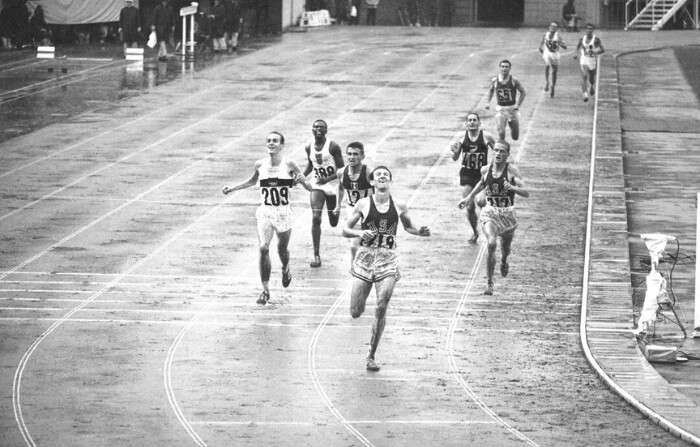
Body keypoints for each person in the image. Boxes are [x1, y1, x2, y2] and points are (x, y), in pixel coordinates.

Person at [343, 166, 430, 371]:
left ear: (390, 181)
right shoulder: (363, 203)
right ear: (372, 182)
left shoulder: (399, 205)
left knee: (382, 305)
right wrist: (359, 233)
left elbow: (408, 227)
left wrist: (419, 231)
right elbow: (345, 230)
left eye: (386, 175)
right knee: (356, 311)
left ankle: (371, 355)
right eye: (378, 175)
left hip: (387, 260)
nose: (382, 177)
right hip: (365, 259)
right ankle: (361, 304)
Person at [222, 132, 312, 305]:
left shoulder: (290, 163)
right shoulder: (260, 164)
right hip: (265, 212)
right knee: (263, 248)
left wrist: (302, 181)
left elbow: (308, 187)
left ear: (281, 146)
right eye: (269, 141)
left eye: (275, 141)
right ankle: (265, 290)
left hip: (284, 214)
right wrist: (232, 188)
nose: (271, 143)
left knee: (281, 251)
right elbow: (251, 181)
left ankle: (285, 269)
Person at [458, 141, 529, 296]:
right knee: (491, 243)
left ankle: (503, 260)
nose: (498, 154)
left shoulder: (512, 171)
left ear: (507, 154)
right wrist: (468, 198)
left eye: (502, 151)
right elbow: (482, 183)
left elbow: (526, 192)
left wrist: (513, 188)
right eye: (496, 150)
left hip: (507, 213)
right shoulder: (486, 169)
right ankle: (489, 283)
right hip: (490, 212)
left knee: (506, 248)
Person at [303, 119, 345, 268]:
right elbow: (310, 163)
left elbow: (342, 170)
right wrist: (302, 176)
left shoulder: (333, 146)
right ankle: (316, 255)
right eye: (315, 127)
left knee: (333, 222)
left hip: (333, 185)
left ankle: (335, 212)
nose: (318, 129)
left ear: (326, 130)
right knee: (316, 217)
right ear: (312, 130)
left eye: (321, 127)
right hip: (317, 185)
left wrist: (327, 178)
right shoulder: (309, 146)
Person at [450, 112, 495, 244]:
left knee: (481, 202)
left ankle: (488, 229)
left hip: (481, 175)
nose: (472, 122)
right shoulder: (461, 137)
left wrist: (492, 167)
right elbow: (455, 158)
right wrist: (454, 152)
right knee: (469, 206)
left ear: (479, 123)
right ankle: (475, 232)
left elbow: (498, 151)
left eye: (474, 120)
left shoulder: (486, 137)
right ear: (466, 123)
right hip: (466, 175)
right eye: (469, 120)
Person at [334, 142, 375, 264]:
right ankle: (355, 270)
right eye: (349, 154)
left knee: (371, 244)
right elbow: (340, 188)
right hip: (352, 210)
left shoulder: (369, 172)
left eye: (356, 154)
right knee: (353, 245)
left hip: (369, 210)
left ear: (362, 156)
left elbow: (380, 190)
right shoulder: (341, 172)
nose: (352, 157)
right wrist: (337, 205)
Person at [485, 60, 526, 141]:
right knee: (501, 131)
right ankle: (502, 150)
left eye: (506, 67)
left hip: (512, 109)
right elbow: (491, 90)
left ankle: (513, 128)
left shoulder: (514, 80)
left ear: (510, 68)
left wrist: (518, 105)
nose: (504, 69)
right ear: (500, 68)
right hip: (500, 109)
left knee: (515, 137)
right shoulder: (495, 80)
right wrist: (488, 102)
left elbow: (523, 92)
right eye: (502, 66)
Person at [574, 23, 605, 103]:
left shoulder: (596, 39)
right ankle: (584, 94)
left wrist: (596, 52)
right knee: (584, 75)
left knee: (591, 78)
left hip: (592, 61)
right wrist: (576, 54)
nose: (589, 30)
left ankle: (591, 86)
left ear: (593, 30)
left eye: (590, 29)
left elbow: (603, 49)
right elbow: (577, 47)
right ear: (585, 30)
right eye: (587, 28)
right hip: (584, 59)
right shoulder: (582, 39)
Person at [539, 22, 567, 98]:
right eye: (551, 26)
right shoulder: (545, 35)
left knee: (554, 72)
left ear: (556, 29)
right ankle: (547, 82)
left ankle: (553, 87)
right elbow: (540, 46)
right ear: (549, 27)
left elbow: (565, 47)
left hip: (555, 54)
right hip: (547, 53)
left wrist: (560, 43)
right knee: (547, 65)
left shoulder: (558, 36)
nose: (552, 28)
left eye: (554, 27)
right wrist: (542, 52)